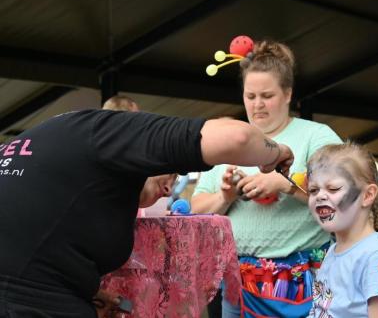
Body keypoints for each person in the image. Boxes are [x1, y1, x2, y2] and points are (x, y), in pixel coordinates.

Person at [0, 109, 294, 318]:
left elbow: (36, 236)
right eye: (173, 173)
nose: (170, 189)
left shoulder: (48, 145)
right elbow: (238, 137)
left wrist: (86, 289)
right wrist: (277, 153)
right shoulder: (115, 132)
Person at [192, 39, 342, 317]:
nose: (257, 105)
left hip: (306, 283)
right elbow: (196, 209)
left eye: (267, 96)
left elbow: (342, 197)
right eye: (250, 96)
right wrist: (225, 196)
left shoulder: (316, 136)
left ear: (287, 94)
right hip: (239, 285)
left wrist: (284, 184)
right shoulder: (230, 139)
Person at [306, 142, 378, 318]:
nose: (320, 196)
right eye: (313, 190)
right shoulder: (333, 250)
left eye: (333, 188)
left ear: (367, 195)